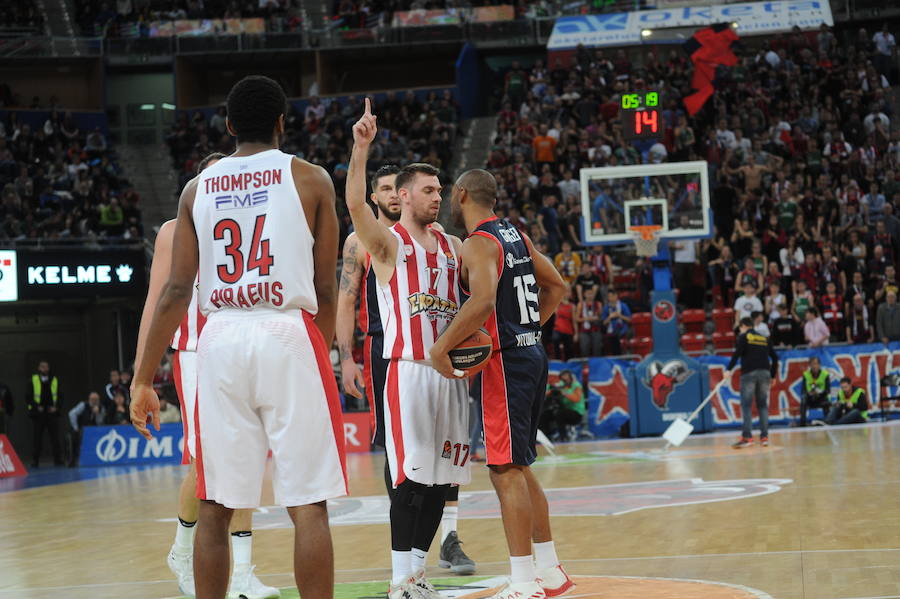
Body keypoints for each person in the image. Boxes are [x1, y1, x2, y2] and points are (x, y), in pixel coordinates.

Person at [130, 75, 346, 599]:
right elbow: (324, 283)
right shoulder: (312, 179)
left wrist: (142, 378)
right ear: (281, 122)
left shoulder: (195, 188)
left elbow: (178, 288)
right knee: (308, 502)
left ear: (228, 126)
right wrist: (312, 346)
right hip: (287, 330)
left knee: (215, 505)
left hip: (219, 337)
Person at [136, 152, 280, 599]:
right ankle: (182, 551)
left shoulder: (253, 223)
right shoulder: (175, 230)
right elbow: (156, 301)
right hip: (197, 353)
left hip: (243, 348)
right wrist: (141, 374)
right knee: (206, 467)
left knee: (249, 462)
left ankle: (242, 575)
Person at [346, 99, 470, 599]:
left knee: (443, 483)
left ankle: (418, 576)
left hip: (451, 378)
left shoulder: (453, 246)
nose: (438, 197)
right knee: (410, 483)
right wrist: (361, 149)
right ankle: (400, 581)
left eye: (440, 190)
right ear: (402, 196)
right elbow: (356, 206)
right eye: (428, 190)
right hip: (408, 373)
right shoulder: (387, 245)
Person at [430, 168, 573, 599]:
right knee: (520, 465)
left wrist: (442, 348)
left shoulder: (479, 243)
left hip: (506, 365)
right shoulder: (516, 235)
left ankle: (525, 582)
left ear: (461, 195)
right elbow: (557, 286)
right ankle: (549, 571)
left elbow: (484, 300)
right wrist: (527, 330)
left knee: (504, 471)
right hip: (531, 355)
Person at [725, 317, 778, 449]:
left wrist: (728, 370)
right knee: (762, 406)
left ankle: (747, 437)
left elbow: (737, 354)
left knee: (747, 406)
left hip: (749, 373)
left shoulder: (744, 337)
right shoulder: (764, 338)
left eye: (740, 328)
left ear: (743, 326)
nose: (739, 331)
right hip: (765, 373)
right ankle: (764, 437)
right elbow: (775, 358)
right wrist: (772, 375)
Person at [27, 360, 62, 467]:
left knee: (55, 437)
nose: (45, 369)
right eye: (42, 367)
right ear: (39, 368)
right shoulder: (33, 380)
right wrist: (36, 407)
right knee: (37, 438)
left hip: (51, 413)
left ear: (49, 368)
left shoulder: (54, 380)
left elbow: (60, 395)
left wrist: (56, 408)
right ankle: (35, 460)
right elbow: (28, 396)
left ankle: (58, 459)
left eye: (46, 367)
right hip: (38, 414)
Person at [540, 370, 586, 442]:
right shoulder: (561, 385)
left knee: (560, 414)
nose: (565, 380)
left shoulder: (576, 386)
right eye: (563, 378)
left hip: (576, 413)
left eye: (567, 378)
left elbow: (576, 399)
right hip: (564, 410)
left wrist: (563, 392)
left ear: (571, 378)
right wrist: (552, 390)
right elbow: (548, 391)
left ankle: (563, 437)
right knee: (544, 415)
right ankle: (546, 438)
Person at [67, 391, 105, 466]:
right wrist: (75, 427)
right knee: (75, 436)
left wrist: (97, 414)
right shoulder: (83, 405)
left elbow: (100, 422)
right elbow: (72, 414)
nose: (94, 401)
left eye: (96, 399)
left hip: (94, 430)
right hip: (81, 429)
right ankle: (74, 459)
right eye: (92, 399)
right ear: (89, 399)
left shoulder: (101, 408)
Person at [800, 357, 831, 427]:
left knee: (827, 401)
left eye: (816, 364)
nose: (815, 366)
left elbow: (828, 390)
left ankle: (828, 422)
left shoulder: (825, 374)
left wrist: (819, 393)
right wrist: (809, 393)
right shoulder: (806, 374)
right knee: (803, 399)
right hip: (810, 399)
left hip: (821, 398)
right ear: (810, 365)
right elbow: (803, 390)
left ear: (819, 365)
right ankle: (802, 423)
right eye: (812, 364)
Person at [601, 288, 631, 355]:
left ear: (616, 296)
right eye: (608, 297)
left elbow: (629, 320)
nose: (610, 298)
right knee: (614, 342)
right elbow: (604, 323)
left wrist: (620, 315)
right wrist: (610, 317)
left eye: (611, 296)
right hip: (612, 333)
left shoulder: (623, 306)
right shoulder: (606, 308)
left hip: (623, 331)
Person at [574, 286, 603, 357]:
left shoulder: (598, 304)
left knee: (597, 349)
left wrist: (596, 318)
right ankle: (585, 365)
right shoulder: (580, 304)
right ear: (584, 294)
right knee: (584, 349)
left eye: (591, 293)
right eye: (588, 294)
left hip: (596, 329)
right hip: (584, 330)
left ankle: (597, 364)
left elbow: (601, 318)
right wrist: (587, 318)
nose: (590, 295)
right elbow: (577, 319)